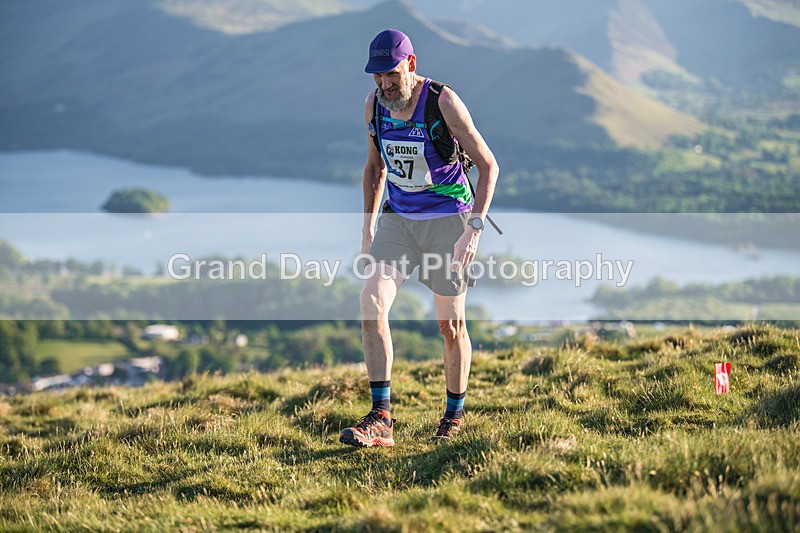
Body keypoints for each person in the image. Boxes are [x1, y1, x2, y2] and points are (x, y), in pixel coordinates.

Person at [338, 29, 499, 448]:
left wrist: (473, 231)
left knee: (450, 325)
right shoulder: (375, 106)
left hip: (449, 220)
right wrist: (368, 227)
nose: (384, 84)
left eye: (391, 74)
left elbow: (488, 165)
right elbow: (375, 169)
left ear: (410, 64)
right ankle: (381, 418)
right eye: (377, 77)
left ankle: (454, 417)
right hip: (399, 219)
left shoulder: (442, 101)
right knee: (371, 303)